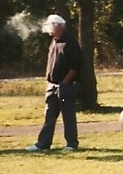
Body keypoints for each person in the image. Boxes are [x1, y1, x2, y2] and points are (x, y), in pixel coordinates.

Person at [28, 14, 82, 152]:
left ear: (58, 26)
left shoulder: (70, 43)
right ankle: (43, 144)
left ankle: (71, 144)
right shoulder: (54, 41)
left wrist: (65, 82)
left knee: (68, 115)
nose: (48, 29)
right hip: (52, 85)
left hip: (65, 86)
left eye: (50, 25)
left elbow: (75, 66)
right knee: (49, 115)